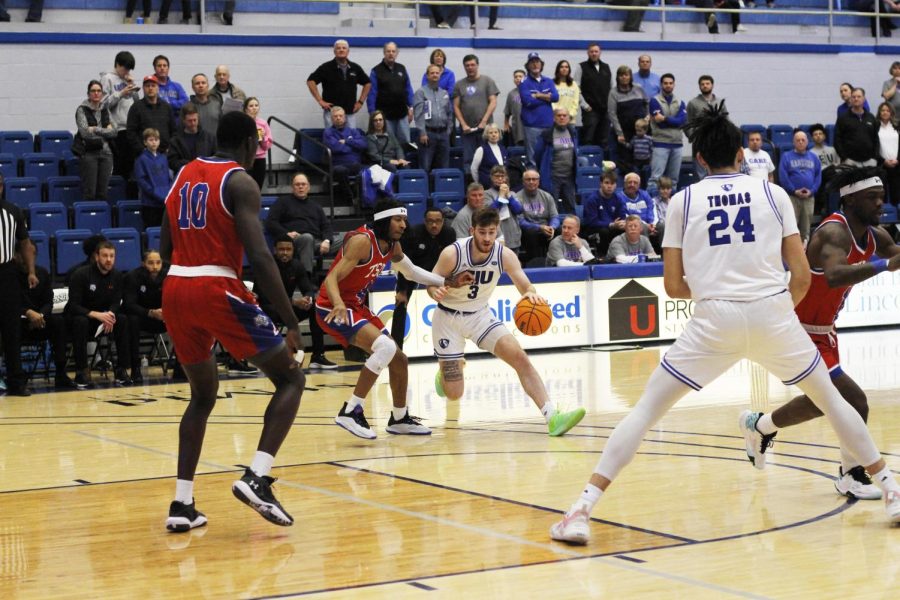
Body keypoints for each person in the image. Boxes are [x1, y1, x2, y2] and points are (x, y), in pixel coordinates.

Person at [549, 104, 900, 546]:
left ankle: (580, 511)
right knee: (833, 402)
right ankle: (891, 490)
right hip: (773, 312)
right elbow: (802, 276)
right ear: (741, 153)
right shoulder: (773, 193)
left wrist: (720, 293)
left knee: (644, 412)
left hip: (715, 319)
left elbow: (675, 286)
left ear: (698, 159)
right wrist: (774, 304)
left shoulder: (682, 200)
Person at [159, 110, 307, 533]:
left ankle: (182, 503)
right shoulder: (241, 181)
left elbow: (166, 238)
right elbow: (260, 255)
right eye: (257, 144)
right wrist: (289, 318)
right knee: (291, 379)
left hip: (175, 286)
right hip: (215, 287)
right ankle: (257, 477)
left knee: (202, 396)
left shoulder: (184, 173)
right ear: (246, 142)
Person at [741, 167, 900, 501]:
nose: (880, 203)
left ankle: (761, 425)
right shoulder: (833, 232)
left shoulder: (876, 235)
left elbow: (895, 255)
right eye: (872, 197)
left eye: (882, 196)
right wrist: (886, 266)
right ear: (851, 199)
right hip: (793, 327)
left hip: (824, 331)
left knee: (822, 402)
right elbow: (835, 276)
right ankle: (851, 474)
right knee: (853, 401)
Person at [315, 199, 474, 439]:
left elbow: (411, 271)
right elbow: (331, 279)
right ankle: (351, 410)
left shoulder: (392, 245)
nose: (403, 224)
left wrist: (447, 281)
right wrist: (337, 303)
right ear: (383, 220)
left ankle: (399, 418)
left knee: (399, 358)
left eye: (404, 219)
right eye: (397, 219)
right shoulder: (362, 241)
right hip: (331, 306)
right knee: (385, 346)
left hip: (354, 305)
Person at [429, 207, 586, 435]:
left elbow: (524, 283)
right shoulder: (452, 253)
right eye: (482, 232)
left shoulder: (504, 255)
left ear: (497, 231)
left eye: (491, 232)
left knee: (521, 358)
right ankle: (444, 371)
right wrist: (437, 291)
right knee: (454, 393)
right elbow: (431, 283)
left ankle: (552, 416)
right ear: (472, 230)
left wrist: (530, 293)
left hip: (480, 316)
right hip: (447, 318)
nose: (486, 238)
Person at [256, 235, 335, 370]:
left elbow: (307, 288)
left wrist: (308, 299)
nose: (285, 252)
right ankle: (270, 360)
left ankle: (318, 356)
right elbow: (265, 297)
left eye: (288, 249)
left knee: (315, 308)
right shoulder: (267, 266)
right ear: (275, 250)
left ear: (293, 250)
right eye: (281, 249)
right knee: (269, 311)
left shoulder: (297, 265)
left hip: (287, 311)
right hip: (267, 311)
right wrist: (294, 302)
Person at [65, 241, 134, 388]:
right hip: (81, 318)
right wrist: (96, 315)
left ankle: (122, 370)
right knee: (80, 322)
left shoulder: (116, 275)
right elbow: (73, 305)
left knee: (122, 319)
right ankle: (81, 371)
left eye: (112, 256)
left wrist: (110, 314)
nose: (109, 259)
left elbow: (116, 301)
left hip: (103, 320)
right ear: (97, 257)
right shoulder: (81, 274)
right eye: (105, 256)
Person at [392, 207, 456, 350]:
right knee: (400, 303)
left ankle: (448, 346)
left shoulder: (449, 233)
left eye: (438, 221)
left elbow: (453, 260)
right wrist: (401, 290)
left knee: (451, 303)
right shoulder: (414, 233)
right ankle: (396, 348)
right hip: (412, 272)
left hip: (438, 273)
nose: (434, 225)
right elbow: (404, 264)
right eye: (430, 222)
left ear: (443, 221)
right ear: (424, 222)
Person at [17, 239, 73, 389]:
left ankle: (61, 373)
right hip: (18, 322)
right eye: (25, 254)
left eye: (33, 254)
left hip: (40, 321)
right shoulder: (8, 276)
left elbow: (49, 302)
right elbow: (5, 303)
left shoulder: (42, 273)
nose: (29, 258)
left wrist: (40, 315)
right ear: (16, 255)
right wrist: (27, 312)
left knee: (58, 322)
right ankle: (16, 375)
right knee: (8, 325)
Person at [0, 173, 37, 397]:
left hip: (6, 272)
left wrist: (31, 271)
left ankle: (16, 382)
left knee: (12, 329)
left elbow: (25, 243)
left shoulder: (13, 211)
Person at [265, 172, 333, 276]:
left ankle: (346, 279)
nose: (300, 187)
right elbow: (271, 222)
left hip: (318, 242)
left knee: (348, 241)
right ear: (292, 187)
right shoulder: (283, 202)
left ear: (308, 187)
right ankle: (306, 280)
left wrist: (327, 241)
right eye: (297, 184)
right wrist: (286, 233)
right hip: (294, 241)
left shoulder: (316, 206)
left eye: (303, 184)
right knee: (307, 238)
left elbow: (326, 226)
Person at [123, 250, 170, 385]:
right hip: (143, 317)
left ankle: (181, 367)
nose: (155, 266)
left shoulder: (169, 275)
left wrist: (167, 312)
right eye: (150, 263)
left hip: (164, 317)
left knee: (183, 319)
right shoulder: (133, 277)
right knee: (131, 320)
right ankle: (135, 368)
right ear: (143, 264)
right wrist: (149, 312)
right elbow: (129, 304)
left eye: (158, 262)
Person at [307, 40, 371, 129]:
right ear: (334, 51)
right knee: (331, 140)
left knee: (350, 139)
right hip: (332, 113)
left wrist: (360, 102)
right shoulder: (326, 67)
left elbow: (367, 83)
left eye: (344, 48)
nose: (341, 50)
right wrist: (320, 101)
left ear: (348, 51)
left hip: (349, 112)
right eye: (338, 48)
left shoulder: (355, 68)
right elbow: (311, 81)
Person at [453, 54, 500, 167]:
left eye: (472, 65)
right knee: (469, 159)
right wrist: (463, 124)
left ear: (477, 65)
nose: (470, 67)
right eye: (467, 65)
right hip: (467, 130)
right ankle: (470, 183)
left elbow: (493, 102)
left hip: (485, 130)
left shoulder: (488, 81)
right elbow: (455, 106)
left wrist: (484, 122)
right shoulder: (459, 84)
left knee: (487, 158)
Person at [100, 51, 139, 181]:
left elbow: (137, 103)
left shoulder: (127, 79)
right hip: (117, 129)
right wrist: (120, 93)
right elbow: (102, 104)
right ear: (117, 64)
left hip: (130, 128)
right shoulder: (107, 79)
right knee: (120, 167)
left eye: (129, 69)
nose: (126, 71)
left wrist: (132, 87)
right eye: (125, 68)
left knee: (131, 168)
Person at [75, 80, 117, 201]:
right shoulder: (82, 110)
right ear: (88, 93)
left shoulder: (105, 110)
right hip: (89, 153)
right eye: (93, 91)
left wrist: (95, 129)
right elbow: (85, 133)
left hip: (107, 154)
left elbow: (114, 132)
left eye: (99, 91)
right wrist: (105, 130)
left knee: (103, 192)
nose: (96, 93)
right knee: (90, 192)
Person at [367, 42, 415, 146]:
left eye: (393, 51)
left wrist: (411, 107)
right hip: (385, 116)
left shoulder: (402, 68)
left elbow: (408, 89)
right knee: (387, 145)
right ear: (384, 53)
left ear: (397, 53)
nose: (391, 53)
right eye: (388, 51)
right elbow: (372, 93)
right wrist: (372, 113)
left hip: (402, 114)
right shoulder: (376, 71)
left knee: (405, 143)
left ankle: (404, 162)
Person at [778, 129, 821, 243]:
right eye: (798, 140)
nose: (801, 142)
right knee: (790, 227)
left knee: (806, 229)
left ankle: (804, 250)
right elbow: (783, 176)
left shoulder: (814, 157)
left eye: (803, 140)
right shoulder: (786, 156)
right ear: (793, 142)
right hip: (792, 198)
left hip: (809, 197)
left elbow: (818, 177)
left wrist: (812, 191)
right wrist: (794, 190)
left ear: (807, 142)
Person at [647, 73, 686, 197]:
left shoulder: (680, 102)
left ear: (674, 84)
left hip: (677, 144)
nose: (668, 85)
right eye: (665, 83)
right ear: (661, 84)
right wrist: (672, 121)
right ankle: (652, 207)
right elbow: (660, 123)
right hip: (660, 144)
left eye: (670, 83)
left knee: (673, 180)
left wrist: (664, 118)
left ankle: (671, 205)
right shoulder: (654, 101)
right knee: (655, 178)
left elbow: (681, 121)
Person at [534, 107, 579, 215]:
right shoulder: (547, 134)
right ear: (554, 118)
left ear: (568, 118)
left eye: (564, 115)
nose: (562, 118)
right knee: (552, 209)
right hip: (552, 177)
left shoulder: (572, 132)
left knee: (571, 208)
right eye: (559, 116)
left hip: (569, 177)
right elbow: (538, 154)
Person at [519, 52, 560, 167]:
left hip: (548, 125)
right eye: (532, 62)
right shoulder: (524, 82)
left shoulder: (548, 81)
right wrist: (547, 97)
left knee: (548, 157)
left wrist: (538, 95)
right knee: (532, 158)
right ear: (528, 66)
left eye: (537, 62)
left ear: (541, 65)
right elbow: (528, 101)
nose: (535, 65)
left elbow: (556, 97)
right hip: (532, 126)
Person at [608, 65, 648, 175]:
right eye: (621, 75)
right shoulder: (613, 92)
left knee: (641, 161)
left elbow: (647, 103)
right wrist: (619, 133)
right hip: (624, 134)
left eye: (626, 75)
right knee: (625, 162)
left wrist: (647, 118)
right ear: (618, 77)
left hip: (640, 132)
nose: (624, 77)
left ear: (630, 77)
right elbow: (612, 113)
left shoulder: (638, 88)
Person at [323, 106, 368, 204]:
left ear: (345, 117)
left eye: (340, 116)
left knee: (372, 170)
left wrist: (346, 141)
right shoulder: (328, 132)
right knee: (341, 170)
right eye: (335, 116)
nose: (338, 118)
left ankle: (365, 199)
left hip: (355, 165)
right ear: (331, 119)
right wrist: (352, 147)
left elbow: (363, 144)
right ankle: (350, 196)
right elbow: (335, 147)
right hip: (337, 165)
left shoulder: (354, 131)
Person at [414, 64, 453, 173]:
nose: (435, 75)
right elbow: (418, 114)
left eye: (437, 73)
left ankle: (442, 189)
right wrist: (422, 132)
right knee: (425, 167)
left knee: (444, 167)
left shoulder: (444, 93)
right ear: (427, 75)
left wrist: (448, 130)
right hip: (428, 134)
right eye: (432, 73)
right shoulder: (421, 92)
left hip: (443, 134)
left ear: (440, 75)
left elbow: (449, 113)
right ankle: (426, 189)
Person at [126, 75, 176, 157]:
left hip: (165, 154)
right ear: (143, 88)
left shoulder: (166, 107)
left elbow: (174, 130)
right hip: (144, 155)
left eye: (153, 85)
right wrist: (141, 150)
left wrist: (170, 148)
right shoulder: (136, 107)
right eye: (147, 86)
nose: (150, 88)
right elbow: (131, 132)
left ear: (158, 88)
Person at [518, 169, 561, 262]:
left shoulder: (547, 196)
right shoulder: (517, 197)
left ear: (538, 181)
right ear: (523, 181)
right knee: (531, 234)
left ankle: (557, 261)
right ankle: (535, 263)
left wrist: (552, 227)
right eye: (528, 179)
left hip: (546, 229)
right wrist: (539, 227)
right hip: (529, 231)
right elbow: (520, 221)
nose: (531, 182)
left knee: (560, 230)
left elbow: (555, 216)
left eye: (534, 179)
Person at [133, 127, 172, 229]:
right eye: (150, 140)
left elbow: (168, 177)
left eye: (156, 140)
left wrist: (168, 192)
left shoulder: (163, 158)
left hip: (164, 201)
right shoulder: (141, 159)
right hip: (149, 203)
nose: (154, 142)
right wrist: (154, 192)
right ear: (145, 142)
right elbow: (141, 180)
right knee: (151, 228)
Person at [581, 171, 627, 254]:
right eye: (606, 183)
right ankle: (603, 257)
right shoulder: (592, 199)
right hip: (594, 230)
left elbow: (622, 216)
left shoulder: (618, 199)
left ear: (616, 185)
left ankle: (623, 255)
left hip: (613, 228)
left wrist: (622, 224)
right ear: (601, 183)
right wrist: (611, 224)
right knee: (604, 231)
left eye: (612, 183)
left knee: (628, 229)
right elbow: (592, 222)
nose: (609, 186)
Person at [577, 43, 612, 152]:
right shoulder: (581, 67)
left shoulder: (606, 67)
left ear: (600, 52)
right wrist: (584, 105)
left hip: (605, 110)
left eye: (596, 51)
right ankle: (589, 165)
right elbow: (576, 88)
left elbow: (612, 88)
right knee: (588, 138)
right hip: (590, 110)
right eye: (591, 51)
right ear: (588, 53)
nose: (594, 53)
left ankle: (604, 166)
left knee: (604, 140)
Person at [686, 74, 721, 180]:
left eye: (707, 84)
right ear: (699, 86)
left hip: (716, 144)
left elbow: (726, 122)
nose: (705, 86)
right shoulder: (693, 103)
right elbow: (687, 123)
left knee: (716, 172)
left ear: (712, 85)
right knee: (701, 175)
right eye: (702, 84)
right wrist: (694, 137)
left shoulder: (719, 102)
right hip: (699, 144)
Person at [167, 103, 218, 175]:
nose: (193, 123)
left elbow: (216, 157)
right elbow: (172, 161)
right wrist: (191, 165)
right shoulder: (175, 141)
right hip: (185, 178)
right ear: (184, 120)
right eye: (190, 121)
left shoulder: (210, 138)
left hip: (206, 177)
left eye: (195, 120)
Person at [835, 88, 879, 168]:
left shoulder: (871, 117)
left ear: (864, 99)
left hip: (869, 162)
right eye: (853, 97)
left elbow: (876, 139)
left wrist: (874, 157)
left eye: (859, 96)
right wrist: (844, 158)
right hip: (850, 162)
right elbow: (837, 140)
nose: (856, 99)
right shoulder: (843, 118)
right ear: (851, 99)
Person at [485, 165, 524, 255]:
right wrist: (501, 196)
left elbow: (518, 210)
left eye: (502, 176)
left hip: (513, 236)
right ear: (491, 178)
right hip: (496, 236)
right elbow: (490, 212)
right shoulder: (487, 194)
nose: (500, 179)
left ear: (506, 178)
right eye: (497, 176)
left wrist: (508, 196)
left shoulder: (512, 194)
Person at [245, 97, 273, 190]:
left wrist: (262, 138)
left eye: (256, 105)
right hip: (245, 159)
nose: (254, 108)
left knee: (257, 187)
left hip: (259, 159)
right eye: (251, 106)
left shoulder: (263, 123)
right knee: (245, 187)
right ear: (246, 109)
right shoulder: (242, 122)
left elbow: (267, 146)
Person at [876, 102, 900, 204]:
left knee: (897, 192)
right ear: (879, 112)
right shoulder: (875, 127)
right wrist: (883, 161)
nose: (885, 112)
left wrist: (898, 160)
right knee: (882, 192)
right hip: (882, 164)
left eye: (887, 110)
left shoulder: (897, 126)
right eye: (883, 110)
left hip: (897, 164)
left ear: (891, 112)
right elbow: (874, 147)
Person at [471, 124, 508, 189]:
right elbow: (473, 169)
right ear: (486, 135)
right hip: (486, 186)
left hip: (501, 186)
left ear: (499, 134)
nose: (493, 135)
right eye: (491, 133)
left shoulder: (503, 149)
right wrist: (478, 183)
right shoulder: (481, 149)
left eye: (496, 132)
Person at [503, 69, 526, 148]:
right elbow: (507, 111)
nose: (518, 78)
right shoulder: (511, 94)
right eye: (516, 77)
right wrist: (506, 124)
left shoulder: (531, 91)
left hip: (529, 127)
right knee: (518, 148)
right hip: (517, 127)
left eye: (520, 76)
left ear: (525, 78)